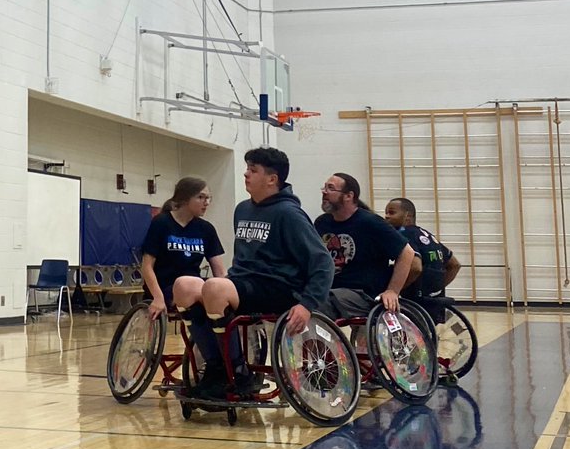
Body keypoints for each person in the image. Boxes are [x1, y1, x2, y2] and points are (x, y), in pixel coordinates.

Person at [173, 147, 334, 400]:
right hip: (244, 283)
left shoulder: (289, 214)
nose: (246, 174)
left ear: (272, 179)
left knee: (215, 287)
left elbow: (323, 262)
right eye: (247, 168)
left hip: (279, 287)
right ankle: (216, 368)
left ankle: (238, 372)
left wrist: (307, 304)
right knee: (183, 286)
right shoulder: (242, 209)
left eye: (253, 170)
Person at [314, 173, 415, 321]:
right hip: (333, 289)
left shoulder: (370, 222)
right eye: (324, 187)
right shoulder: (322, 223)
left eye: (331, 188)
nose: (324, 192)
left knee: (318, 303)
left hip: (363, 294)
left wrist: (392, 291)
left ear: (349, 196)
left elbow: (407, 253)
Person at [138, 176, 225, 320]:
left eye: (208, 198)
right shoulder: (161, 223)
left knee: (219, 297)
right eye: (201, 197)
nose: (206, 203)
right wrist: (158, 298)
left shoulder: (206, 229)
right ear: (185, 199)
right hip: (165, 287)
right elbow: (147, 266)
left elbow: (220, 271)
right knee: (195, 293)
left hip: (195, 285)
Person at [384, 197, 461, 299]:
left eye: (391, 213)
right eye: (386, 213)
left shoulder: (405, 234)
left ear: (407, 215)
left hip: (415, 300)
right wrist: (437, 288)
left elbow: (416, 268)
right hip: (435, 300)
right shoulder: (428, 236)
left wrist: (396, 290)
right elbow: (455, 265)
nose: (386, 216)